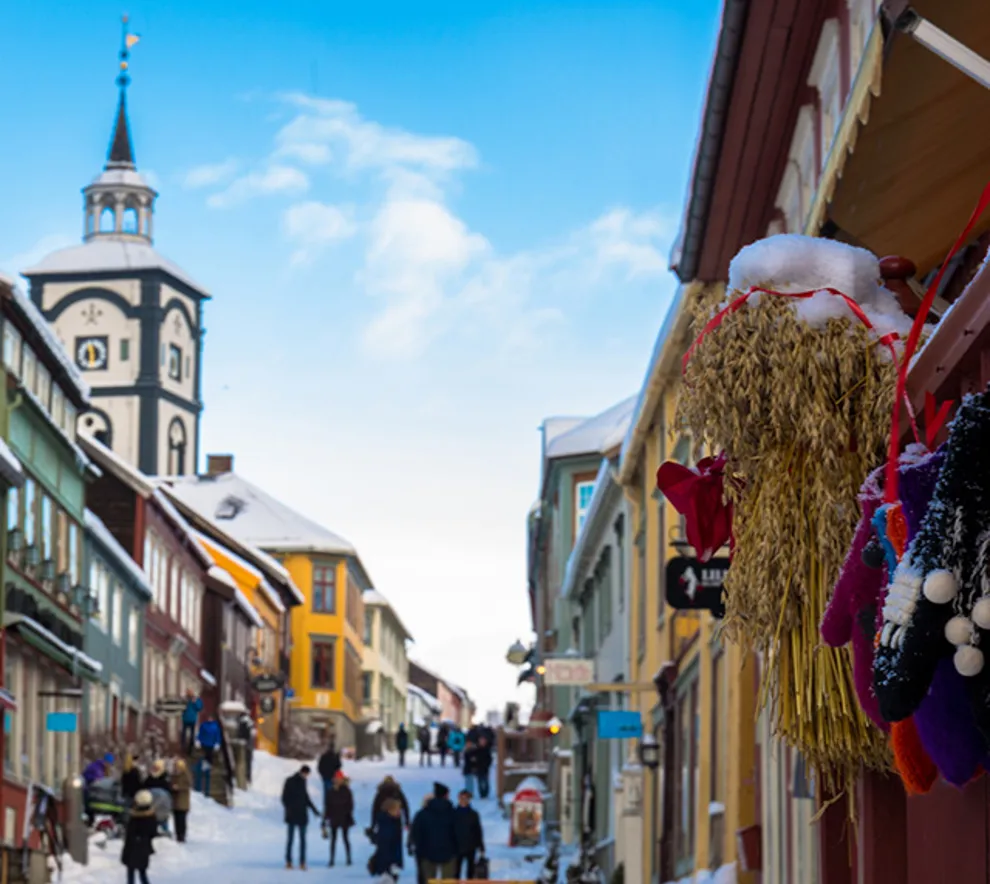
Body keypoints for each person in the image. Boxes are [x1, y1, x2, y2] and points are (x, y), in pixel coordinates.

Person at [411, 782, 458, 882]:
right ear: (446, 795)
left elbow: (416, 833)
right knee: (448, 881)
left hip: (427, 853)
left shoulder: (422, 814)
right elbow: (458, 833)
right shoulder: (453, 813)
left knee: (429, 880)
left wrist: (419, 850)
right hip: (449, 852)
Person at [281, 764, 320, 871]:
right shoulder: (294, 781)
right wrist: (313, 810)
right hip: (299, 814)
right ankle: (300, 862)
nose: (307, 776)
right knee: (300, 840)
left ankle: (290, 862)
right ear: (304, 772)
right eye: (307, 774)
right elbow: (288, 798)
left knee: (291, 839)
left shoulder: (293, 780)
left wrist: (314, 810)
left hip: (294, 814)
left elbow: (304, 797)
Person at [121, 789, 157, 884]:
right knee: (142, 872)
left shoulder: (134, 816)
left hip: (132, 848)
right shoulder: (151, 816)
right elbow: (153, 832)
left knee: (131, 873)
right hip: (144, 848)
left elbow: (129, 832)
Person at [370, 797, 404, 882]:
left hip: (391, 864)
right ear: (390, 810)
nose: (399, 811)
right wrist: (392, 863)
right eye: (397, 809)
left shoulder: (394, 822)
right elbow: (386, 845)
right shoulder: (387, 824)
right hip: (387, 865)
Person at [323, 770, 354, 866]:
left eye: (339, 779)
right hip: (334, 817)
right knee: (333, 839)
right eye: (336, 779)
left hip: (344, 816)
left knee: (345, 838)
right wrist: (326, 818)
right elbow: (327, 805)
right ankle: (332, 859)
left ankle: (348, 858)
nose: (337, 780)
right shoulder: (330, 791)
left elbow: (350, 804)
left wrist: (348, 814)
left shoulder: (346, 790)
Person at [454, 789, 485, 880]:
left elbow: (478, 831)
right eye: (461, 798)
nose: (463, 800)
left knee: (470, 872)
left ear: (469, 800)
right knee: (456, 872)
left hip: (470, 846)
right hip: (457, 846)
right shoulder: (453, 813)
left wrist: (481, 846)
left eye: (465, 798)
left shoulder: (473, 814)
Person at [197, 716, 222, 797]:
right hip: (204, 742)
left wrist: (218, 742)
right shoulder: (204, 725)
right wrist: (198, 739)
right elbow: (200, 733)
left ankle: (208, 766)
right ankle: (205, 766)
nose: (210, 719)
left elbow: (217, 734)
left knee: (210, 755)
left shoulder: (215, 726)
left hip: (211, 743)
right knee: (205, 755)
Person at [170, 758, 192, 844]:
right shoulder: (174, 775)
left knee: (182, 819)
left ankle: (182, 835)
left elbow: (189, 784)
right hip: (175, 801)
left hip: (183, 802)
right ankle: (177, 834)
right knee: (176, 819)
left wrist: (179, 787)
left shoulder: (185, 774)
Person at [317, 739, 341, 809]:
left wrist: (322, 775)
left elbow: (319, 767)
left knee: (326, 795)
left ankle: (327, 809)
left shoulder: (323, 756)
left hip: (326, 778)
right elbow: (338, 767)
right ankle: (332, 809)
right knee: (333, 794)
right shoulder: (334, 757)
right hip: (333, 778)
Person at [181, 690, 203, 756]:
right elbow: (180, 707)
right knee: (184, 735)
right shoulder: (184, 700)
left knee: (192, 735)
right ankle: (183, 748)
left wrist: (195, 702)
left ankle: (190, 750)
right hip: (185, 719)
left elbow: (199, 707)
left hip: (192, 719)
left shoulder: (196, 699)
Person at [236, 712, 255, 783]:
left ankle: (247, 777)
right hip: (249, 746)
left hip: (244, 745)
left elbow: (241, 734)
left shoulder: (242, 722)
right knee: (248, 763)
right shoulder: (250, 723)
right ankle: (248, 777)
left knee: (243, 762)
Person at [476, 736, 493, 800]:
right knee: (480, 781)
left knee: (485, 781)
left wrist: (487, 764)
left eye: (483, 741)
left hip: (485, 768)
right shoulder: (477, 749)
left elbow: (490, 759)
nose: (482, 742)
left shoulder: (487, 749)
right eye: (481, 741)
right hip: (478, 768)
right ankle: (481, 794)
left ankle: (486, 793)